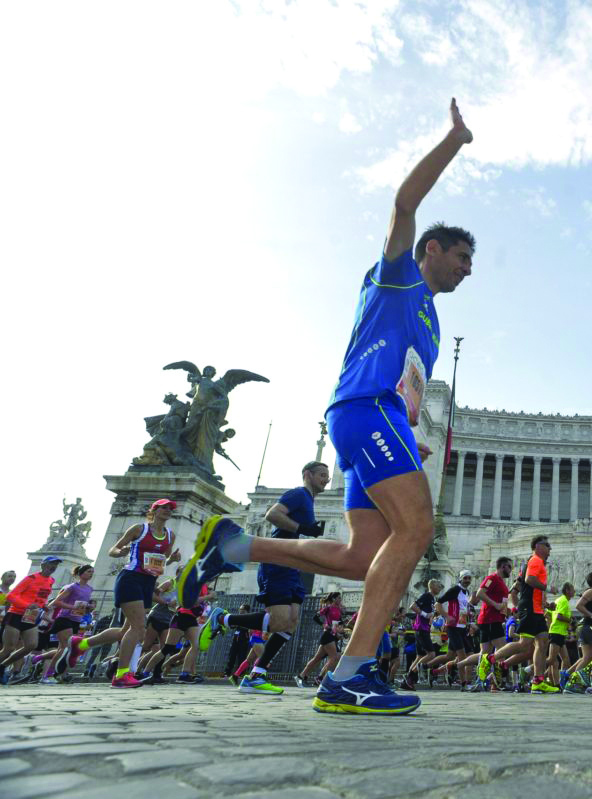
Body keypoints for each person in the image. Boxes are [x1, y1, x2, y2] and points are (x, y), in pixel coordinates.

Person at [178, 98, 476, 716]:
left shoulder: (429, 318)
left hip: (384, 420)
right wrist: (454, 142)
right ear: (433, 249)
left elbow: (408, 385)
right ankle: (349, 674)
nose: (468, 270)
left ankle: (237, 546)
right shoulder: (398, 276)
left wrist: (412, 435)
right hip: (362, 411)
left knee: (363, 557)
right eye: (462, 258)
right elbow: (403, 205)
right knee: (416, 529)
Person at [207, 461, 331, 695]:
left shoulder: (309, 500)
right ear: (308, 475)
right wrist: (301, 528)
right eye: (322, 475)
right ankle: (224, 618)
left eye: (328, 476)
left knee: (291, 621)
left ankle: (256, 675)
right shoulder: (298, 494)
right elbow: (272, 514)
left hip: (292, 566)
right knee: (278, 621)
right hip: (278, 562)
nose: (326, 479)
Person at [58, 500, 181, 687]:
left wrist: (172, 559)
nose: (168, 511)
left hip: (148, 582)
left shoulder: (170, 535)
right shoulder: (139, 529)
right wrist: (120, 551)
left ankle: (80, 644)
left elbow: (163, 560)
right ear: (154, 510)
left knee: (126, 631)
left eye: (170, 509)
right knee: (139, 628)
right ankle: (121, 675)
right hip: (130, 578)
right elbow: (112, 550)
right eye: (164, 507)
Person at [488, 536, 559, 693]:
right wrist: (546, 589)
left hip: (536, 609)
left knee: (542, 642)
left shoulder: (535, 564)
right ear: (538, 546)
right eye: (547, 545)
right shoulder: (535, 561)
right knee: (524, 644)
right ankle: (490, 660)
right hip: (530, 608)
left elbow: (520, 588)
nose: (550, 549)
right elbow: (527, 581)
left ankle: (538, 681)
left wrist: (545, 604)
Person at [0, 557, 61, 681]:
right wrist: (26, 605)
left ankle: (3, 666)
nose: (53, 566)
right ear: (43, 565)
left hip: (31, 617)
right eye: (51, 563)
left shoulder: (51, 580)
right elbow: (11, 596)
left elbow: (41, 596)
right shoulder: (31, 578)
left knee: (31, 645)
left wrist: (44, 605)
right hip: (16, 615)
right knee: (9, 648)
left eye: (56, 564)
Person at [39, 565, 95, 683]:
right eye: (89, 571)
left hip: (77, 620)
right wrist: (72, 606)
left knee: (66, 648)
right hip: (64, 619)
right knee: (65, 647)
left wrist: (88, 606)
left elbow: (82, 604)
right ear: (81, 573)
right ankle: (48, 675)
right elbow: (57, 602)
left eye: (92, 572)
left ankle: (60, 674)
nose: (91, 573)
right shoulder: (72, 587)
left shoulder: (90, 589)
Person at [469, 558, 513, 689]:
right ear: (503, 566)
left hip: (494, 619)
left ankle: (481, 680)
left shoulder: (501, 583)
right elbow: (480, 593)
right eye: (509, 567)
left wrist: (505, 611)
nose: (511, 570)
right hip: (490, 619)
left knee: (485, 652)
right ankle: (497, 681)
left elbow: (501, 602)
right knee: (502, 650)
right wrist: (496, 605)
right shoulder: (491, 578)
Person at [298, 593, 345, 685]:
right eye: (339, 598)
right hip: (327, 635)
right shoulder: (328, 608)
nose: (340, 600)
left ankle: (302, 676)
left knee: (317, 658)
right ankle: (321, 679)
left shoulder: (339, 609)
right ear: (334, 599)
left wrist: (341, 631)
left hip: (333, 636)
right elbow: (315, 617)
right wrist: (323, 624)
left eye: (340, 598)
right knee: (334, 657)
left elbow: (339, 623)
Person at [403, 580, 442, 689]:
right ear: (432, 586)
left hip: (424, 629)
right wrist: (425, 614)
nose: (440, 588)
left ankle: (407, 680)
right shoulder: (427, 596)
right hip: (422, 629)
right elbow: (412, 606)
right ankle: (411, 676)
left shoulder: (433, 599)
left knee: (420, 656)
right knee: (431, 654)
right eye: (439, 586)